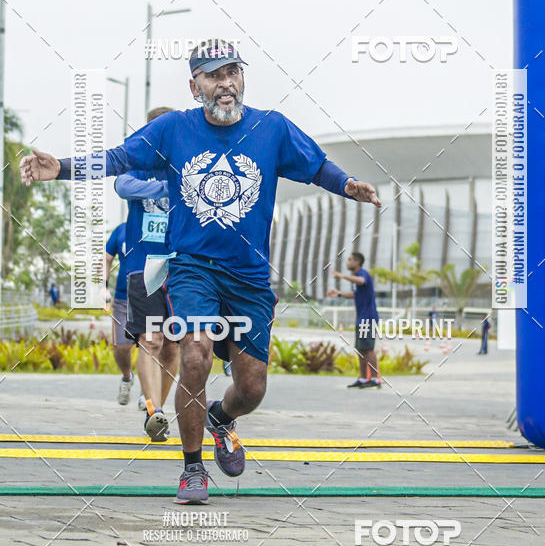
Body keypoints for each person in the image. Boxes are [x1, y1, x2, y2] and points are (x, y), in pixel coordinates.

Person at [19, 39, 381, 505]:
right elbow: (118, 159)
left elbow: (315, 167)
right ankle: (193, 469)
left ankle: (222, 418)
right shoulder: (172, 130)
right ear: (195, 86)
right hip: (193, 268)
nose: (225, 82)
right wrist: (62, 168)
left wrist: (348, 185)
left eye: (232, 72)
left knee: (251, 387)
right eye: (213, 75)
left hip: (249, 277)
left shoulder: (271, 129)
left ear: (243, 79)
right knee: (195, 355)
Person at [115, 107, 180, 442]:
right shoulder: (139, 163)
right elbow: (122, 186)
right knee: (150, 341)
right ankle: (153, 409)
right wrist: (165, 189)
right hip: (145, 267)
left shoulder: (187, 163)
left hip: (182, 268)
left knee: (174, 347)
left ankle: (159, 415)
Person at [327, 252, 381, 388]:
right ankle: (363, 379)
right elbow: (355, 295)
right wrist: (339, 293)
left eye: (350, 260)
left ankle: (374, 379)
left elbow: (362, 282)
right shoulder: (357, 277)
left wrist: (342, 276)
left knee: (368, 349)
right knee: (361, 349)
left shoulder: (363, 274)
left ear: (357, 262)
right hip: (361, 318)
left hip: (368, 318)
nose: (348, 262)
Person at [105, 221, 137, 405]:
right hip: (123, 298)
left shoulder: (159, 224)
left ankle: (149, 397)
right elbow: (107, 257)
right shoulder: (121, 230)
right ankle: (127, 377)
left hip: (152, 296)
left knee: (152, 346)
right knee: (121, 347)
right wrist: (104, 287)